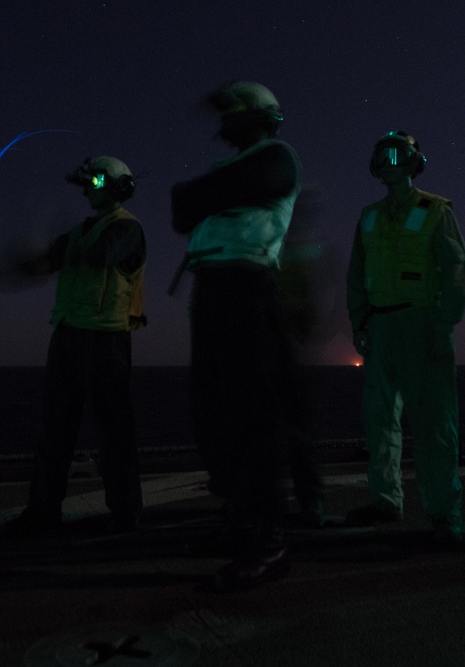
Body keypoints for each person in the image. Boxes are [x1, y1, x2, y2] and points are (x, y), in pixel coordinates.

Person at [171, 81, 301, 591]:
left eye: (233, 112)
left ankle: (269, 543)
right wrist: (199, 197)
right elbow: (184, 211)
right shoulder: (239, 170)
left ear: (258, 116)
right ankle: (240, 522)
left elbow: (186, 203)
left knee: (252, 417)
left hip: (247, 291)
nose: (223, 122)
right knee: (214, 415)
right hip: (215, 291)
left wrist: (198, 196)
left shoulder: (278, 158)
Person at [8, 155, 147, 535]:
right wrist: (21, 269)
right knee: (55, 428)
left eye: (97, 183)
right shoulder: (82, 231)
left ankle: (125, 514)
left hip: (106, 338)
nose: (89, 189)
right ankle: (43, 510)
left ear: (117, 186)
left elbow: (101, 255)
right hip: (68, 335)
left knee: (114, 431)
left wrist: (55, 255)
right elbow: (47, 263)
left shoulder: (126, 229)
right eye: (88, 183)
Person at [345, 131, 465, 546]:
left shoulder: (435, 210)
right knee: (379, 420)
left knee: (435, 424)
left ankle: (444, 514)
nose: (391, 162)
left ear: (415, 162)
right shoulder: (368, 216)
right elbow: (355, 274)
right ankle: (385, 499)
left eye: (399, 155)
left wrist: (441, 325)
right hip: (380, 328)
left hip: (421, 324)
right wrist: (360, 323)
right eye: (384, 155)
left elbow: (456, 269)